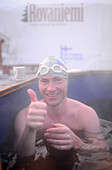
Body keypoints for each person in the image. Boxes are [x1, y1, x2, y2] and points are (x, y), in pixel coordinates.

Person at [13, 56, 108, 170]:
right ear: (38, 84)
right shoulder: (24, 116)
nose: (51, 88)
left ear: (67, 82)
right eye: (44, 81)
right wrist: (30, 129)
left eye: (57, 80)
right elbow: (20, 160)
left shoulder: (86, 114)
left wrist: (78, 143)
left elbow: (102, 149)